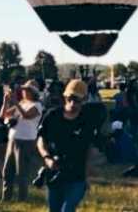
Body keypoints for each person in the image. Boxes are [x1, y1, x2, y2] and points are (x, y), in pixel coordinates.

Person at [36, 80, 103, 212]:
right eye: (70, 99)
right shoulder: (52, 116)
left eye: (78, 100)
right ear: (65, 97)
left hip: (76, 175)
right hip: (54, 172)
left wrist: (87, 174)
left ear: (84, 100)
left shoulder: (88, 119)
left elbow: (91, 147)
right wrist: (47, 157)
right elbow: (41, 139)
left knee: (67, 209)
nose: (73, 103)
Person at [0, 80, 44, 202]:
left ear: (32, 92)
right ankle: (6, 198)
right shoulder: (22, 103)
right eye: (23, 89)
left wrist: (15, 103)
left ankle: (22, 200)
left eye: (26, 90)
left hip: (26, 141)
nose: (23, 91)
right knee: (7, 171)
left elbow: (27, 116)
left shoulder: (37, 105)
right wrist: (6, 101)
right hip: (13, 139)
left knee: (22, 173)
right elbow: (3, 115)